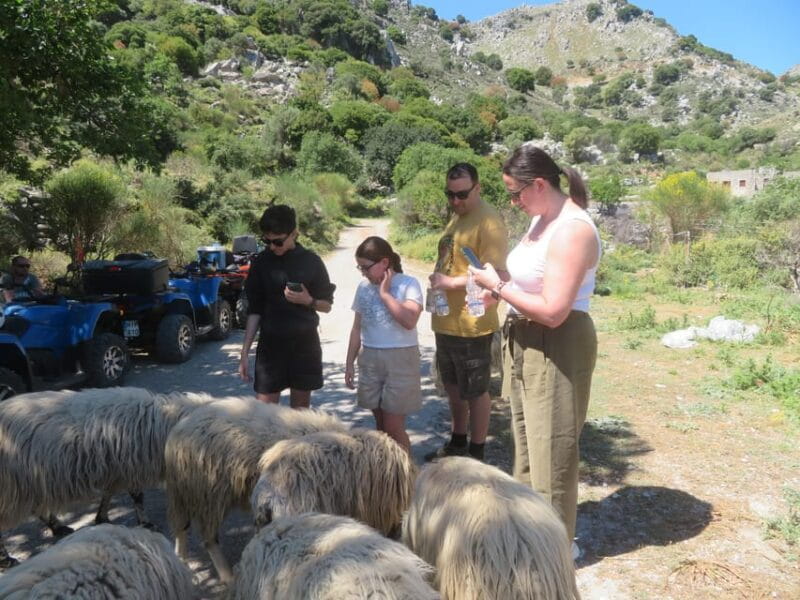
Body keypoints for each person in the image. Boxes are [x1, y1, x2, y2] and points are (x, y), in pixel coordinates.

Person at [470, 145, 601, 556]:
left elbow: (555, 310)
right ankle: (529, 531)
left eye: (516, 193)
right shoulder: (542, 219)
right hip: (526, 340)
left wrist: (499, 288)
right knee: (527, 443)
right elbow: (534, 283)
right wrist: (502, 288)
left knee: (554, 447)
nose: (513, 202)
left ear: (539, 184)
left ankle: (556, 549)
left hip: (557, 344)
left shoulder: (573, 229)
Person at [425, 163, 508, 462]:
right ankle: (458, 442)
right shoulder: (458, 218)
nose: (456, 201)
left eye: (462, 195)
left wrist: (449, 282)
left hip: (473, 324)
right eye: (450, 195)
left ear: (478, 188)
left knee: (476, 391)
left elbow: (498, 274)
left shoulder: (489, 223)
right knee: (453, 387)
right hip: (447, 320)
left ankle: (476, 452)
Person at [239, 204, 336, 409]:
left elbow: (326, 305)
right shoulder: (261, 262)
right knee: (263, 415)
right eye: (267, 241)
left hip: (304, 345)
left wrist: (308, 301)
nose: (272, 247)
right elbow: (255, 310)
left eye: (278, 241)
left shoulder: (312, 261)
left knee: (299, 416)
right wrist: (245, 352)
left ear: (294, 234)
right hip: (271, 348)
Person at [345, 236, 423, 453]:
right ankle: (387, 476)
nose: (363, 273)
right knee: (380, 428)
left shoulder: (409, 284)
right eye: (360, 268)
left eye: (366, 268)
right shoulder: (363, 287)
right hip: (370, 358)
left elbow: (409, 321)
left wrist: (386, 295)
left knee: (393, 427)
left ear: (385, 263)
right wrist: (349, 363)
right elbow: (356, 328)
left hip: (400, 360)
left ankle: (406, 476)